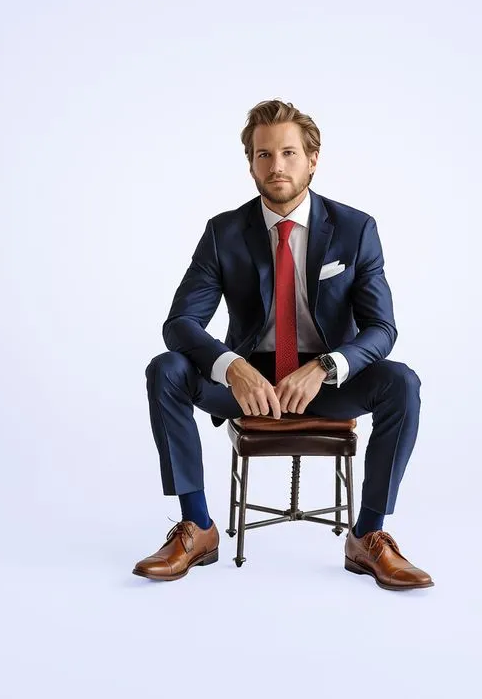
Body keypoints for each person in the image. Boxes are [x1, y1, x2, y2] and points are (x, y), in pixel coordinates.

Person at [133, 99, 432, 591]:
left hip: (326, 382)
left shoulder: (356, 230)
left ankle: (369, 534)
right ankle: (198, 526)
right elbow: (181, 323)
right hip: (248, 381)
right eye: (264, 155)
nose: (277, 166)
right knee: (165, 368)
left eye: (289, 153)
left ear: (313, 159)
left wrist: (327, 367)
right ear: (250, 162)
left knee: (401, 382)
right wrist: (231, 366)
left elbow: (382, 329)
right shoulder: (224, 232)